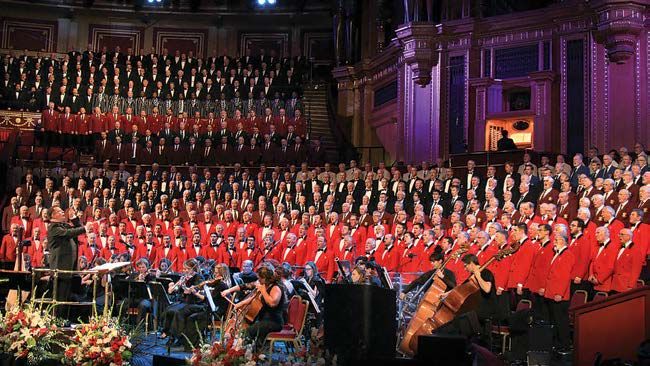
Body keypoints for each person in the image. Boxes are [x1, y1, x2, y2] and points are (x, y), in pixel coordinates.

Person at [47, 205, 93, 317]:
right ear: (53, 215)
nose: (64, 212)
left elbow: (76, 229)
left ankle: (64, 320)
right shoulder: (53, 227)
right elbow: (70, 233)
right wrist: (85, 228)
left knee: (67, 298)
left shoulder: (64, 226)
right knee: (60, 299)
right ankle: (58, 321)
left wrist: (74, 218)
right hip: (61, 271)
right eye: (60, 211)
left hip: (69, 270)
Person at [233, 265, 286, 349]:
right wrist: (240, 304)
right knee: (246, 328)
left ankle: (245, 352)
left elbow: (272, 303)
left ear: (265, 278)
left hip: (274, 322)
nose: (258, 280)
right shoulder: (265, 286)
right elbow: (254, 298)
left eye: (260, 278)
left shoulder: (276, 287)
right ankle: (252, 353)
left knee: (249, 331)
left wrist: (263, 290)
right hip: (263, 319)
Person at [160, 258, 205, 348]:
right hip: (184, 301)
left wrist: (189, 289)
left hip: (195, 302)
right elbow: (175, 291)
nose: (185, 271)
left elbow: (196, 290)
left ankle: (175, 337)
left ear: (193, 269)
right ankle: (166, 332)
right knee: (169, 309)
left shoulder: (199, 277)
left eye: (187, 269)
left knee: (177, 312)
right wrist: (173, 287)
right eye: (184, 269)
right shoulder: (184, 278)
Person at [543, 233, 575, 350]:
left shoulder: (567, 255)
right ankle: (557, 344)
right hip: (552, 293)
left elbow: (564, 276)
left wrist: (560, 293)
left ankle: (564, 345)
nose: (554, 241)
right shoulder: (557, 254)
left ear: (564, 241)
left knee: (561, 321)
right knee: (555, 320)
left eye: (557, 240)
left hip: (559, 294)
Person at [461, 254, 498, 325]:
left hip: (486, 308)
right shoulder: (472, 276)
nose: (465, 269)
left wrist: (478, 277)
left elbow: (487, 289)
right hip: (476, 307)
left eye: (465, 266)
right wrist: (447, 294)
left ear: (471, 263)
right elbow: (461, 287)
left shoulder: (486, 272)